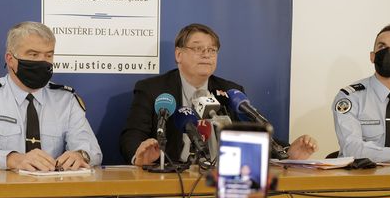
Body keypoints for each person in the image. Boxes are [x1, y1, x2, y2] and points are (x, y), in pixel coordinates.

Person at [119, 23, 318, 166]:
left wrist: (287, 152)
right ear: (179, 54)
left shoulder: (230, 91)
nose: (206, 54)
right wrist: (139, 155)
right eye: (198, 48)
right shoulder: (153, 89)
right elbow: (132, 135)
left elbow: (252, 133)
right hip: (174, 177)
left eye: (212, 50)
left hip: (224, 178)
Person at [0, 21, 102, 171]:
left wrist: (80, 155)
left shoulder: (66, 99)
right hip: (2, 191)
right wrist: (14, 159)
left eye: (48, 55)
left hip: (55, 189)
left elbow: (92, 149)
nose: (42, 62)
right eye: (33, 55)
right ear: (10, 60)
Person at [333, 24, 390, 163]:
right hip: (360, 179)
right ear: (372, 57)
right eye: (382, 46)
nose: (388, 51)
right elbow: (351, 148)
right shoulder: (349, 97)